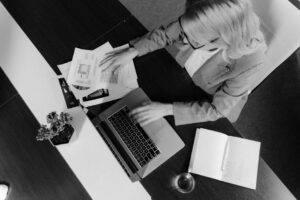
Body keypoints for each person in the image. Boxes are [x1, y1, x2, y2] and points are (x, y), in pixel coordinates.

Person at [101, 0, 267, 126]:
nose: (181, 39)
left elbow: (217, 110)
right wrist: (133, 51)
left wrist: (167, 109)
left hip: (208, 98)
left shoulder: (251, 62)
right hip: (184, 76)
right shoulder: (205, 13)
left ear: (220, 40)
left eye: (192, 39)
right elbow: (167, 35)